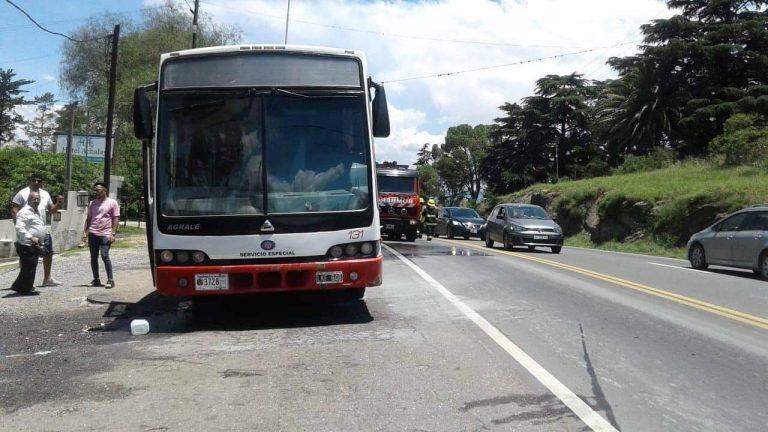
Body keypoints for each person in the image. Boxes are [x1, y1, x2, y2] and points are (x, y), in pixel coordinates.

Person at [11, 173, 64, 287]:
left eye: (39, 180)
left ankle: (47, 279)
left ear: (42, 182)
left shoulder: (45, 194)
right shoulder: (22, 193)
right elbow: (14, 209)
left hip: (42, 229)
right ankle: (26, 281)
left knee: (48, 252)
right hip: (28, 231)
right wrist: (19, 227)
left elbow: (51, 210)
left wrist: (59, 203)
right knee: (28, 257)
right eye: (34, 180)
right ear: (29, 181)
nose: (36, 182)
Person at [81, 182, 120, 289]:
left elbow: (116, 218)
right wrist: (85, 232)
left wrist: (113, 233)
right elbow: (89, 218)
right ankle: (96, 279)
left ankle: (110, 279)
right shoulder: (93, 203)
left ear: (105, 190)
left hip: (105, 233)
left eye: (98, 190)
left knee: (104, 255)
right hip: (93, 233)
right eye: (95, 190)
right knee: (93, 257)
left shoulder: (112, 203)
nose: (96, 192)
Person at [11, 192, 48, 295]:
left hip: (34, 244)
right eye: (34, 199)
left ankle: (21, 287)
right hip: (26, 244)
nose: (36, 200)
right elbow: (19, 228)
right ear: (29, 199)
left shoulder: (37, 211)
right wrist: (31, 237)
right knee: (29, 267)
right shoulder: (24, 212)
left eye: (38, 199)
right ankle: (24, 289)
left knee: (30, 266)